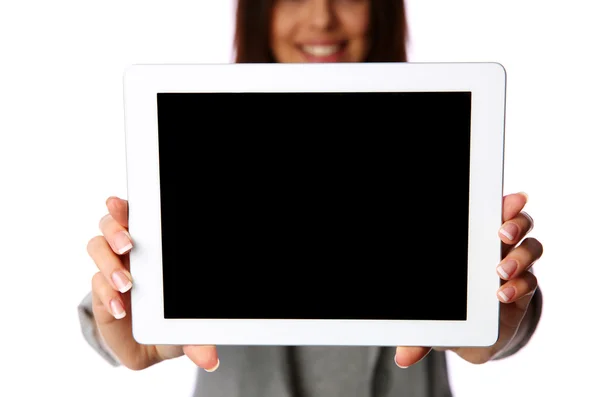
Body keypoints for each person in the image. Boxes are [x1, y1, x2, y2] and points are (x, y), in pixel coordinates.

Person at [78, 0, 544, 396]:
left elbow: (504, 313)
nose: (322, 19)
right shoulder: (202, 147)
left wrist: (497, 325)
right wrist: (123, 320)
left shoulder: (439, 145)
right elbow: (113, 311)